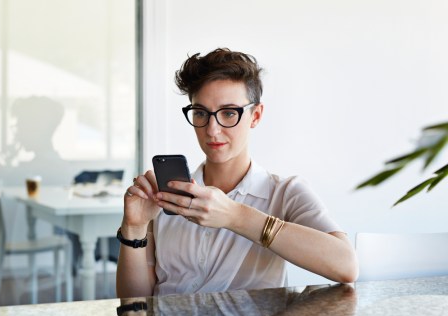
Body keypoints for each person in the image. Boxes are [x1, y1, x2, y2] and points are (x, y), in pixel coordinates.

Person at [116, 48, 358, 298]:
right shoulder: (166, 195)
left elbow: (346, 266)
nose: (212, 130)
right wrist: (134, 228)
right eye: (200, 113)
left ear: (255, 115)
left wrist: (234, 216)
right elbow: (135, 306)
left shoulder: (285, 193)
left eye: (229, 113)